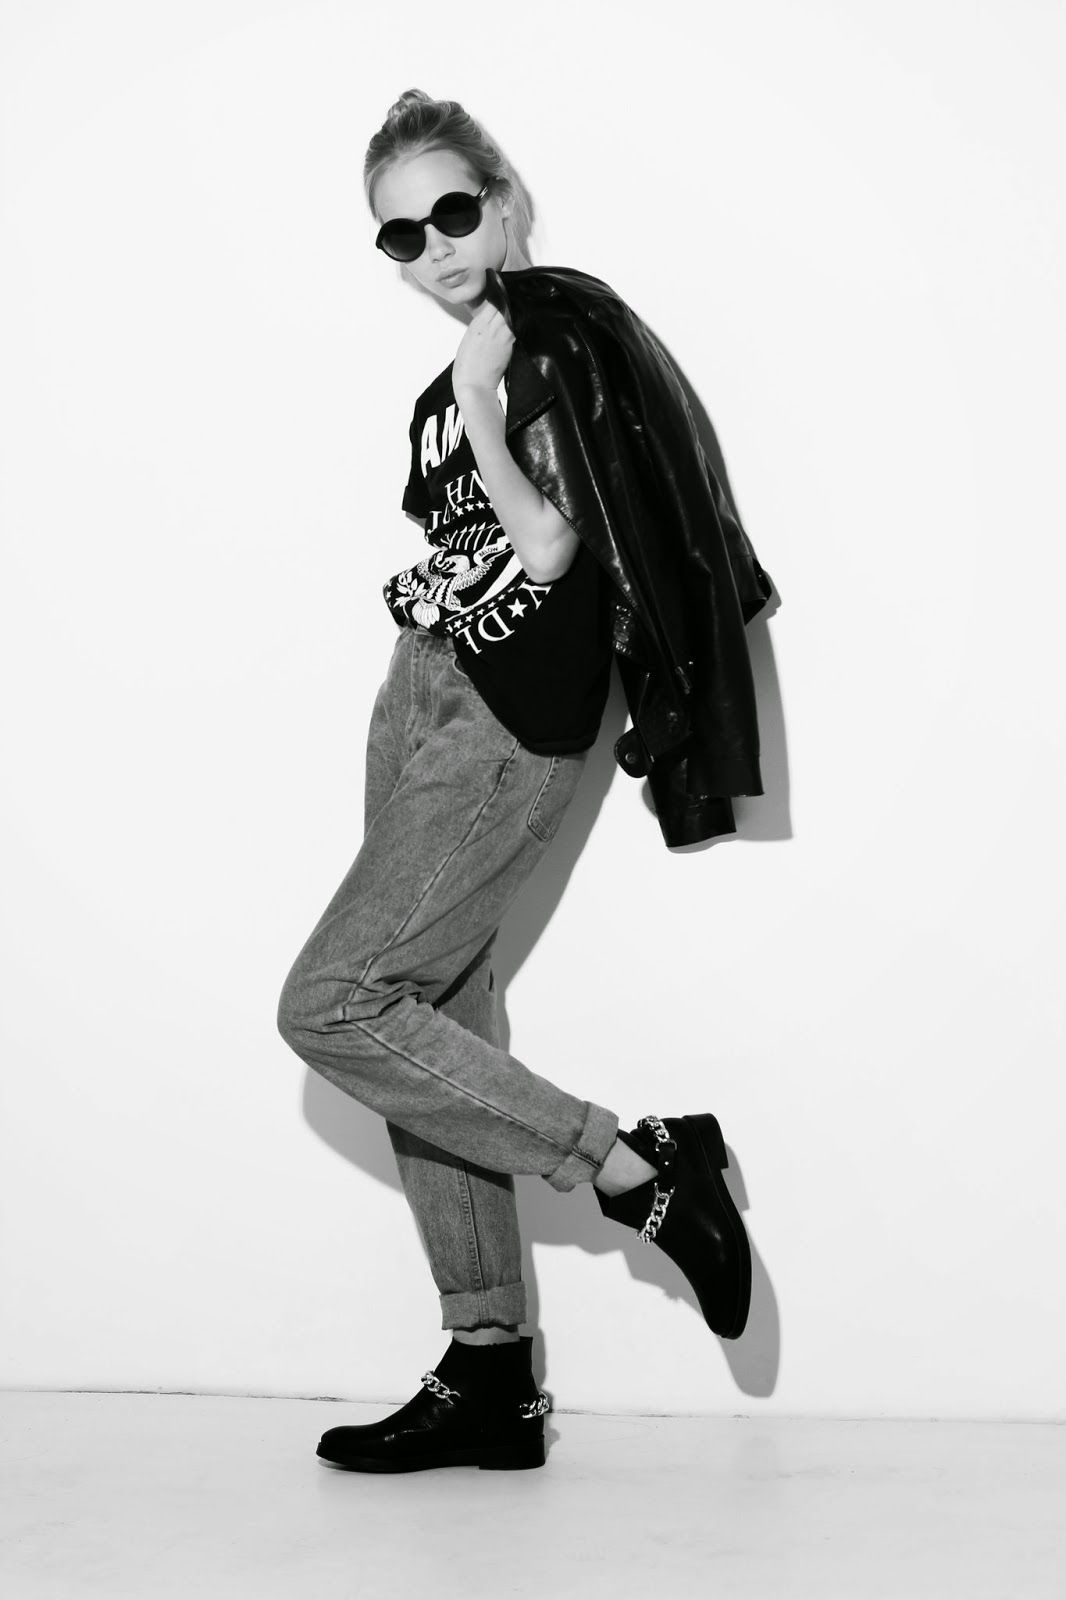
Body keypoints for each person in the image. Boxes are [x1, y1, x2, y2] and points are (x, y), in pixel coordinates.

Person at [275, 88, 756, 1475]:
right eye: (399, 234)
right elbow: (470, 545)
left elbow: (549, 553)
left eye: (451, 211)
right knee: (430, 1014)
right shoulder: (456, 377)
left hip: (506, 715)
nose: (431, 246)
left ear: (504, 201)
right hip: (422, 688)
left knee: (332, 1002)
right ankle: (488, 1370)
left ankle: (632, 1164)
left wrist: (483, 400)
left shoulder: (551, 340)